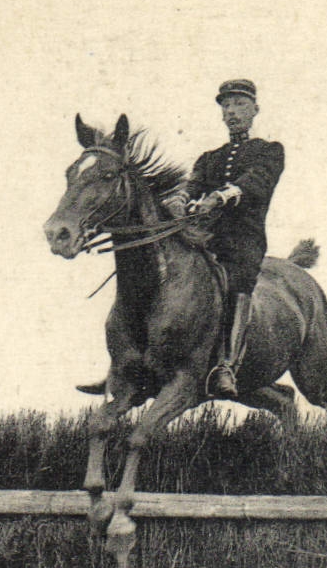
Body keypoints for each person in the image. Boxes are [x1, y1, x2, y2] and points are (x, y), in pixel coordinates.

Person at [78, 79, 284, 400]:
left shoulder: (269, 152)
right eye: (226, 106)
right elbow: (192, 185)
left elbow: (255, 182)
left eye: (239, 105)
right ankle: (122, 366)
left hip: (241, 244)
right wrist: (180, 200)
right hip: (202, 238)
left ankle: (227, 365)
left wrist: (220, 197)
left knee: (238, 283)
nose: (231, 112)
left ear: (255, 110)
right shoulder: (209, 158)